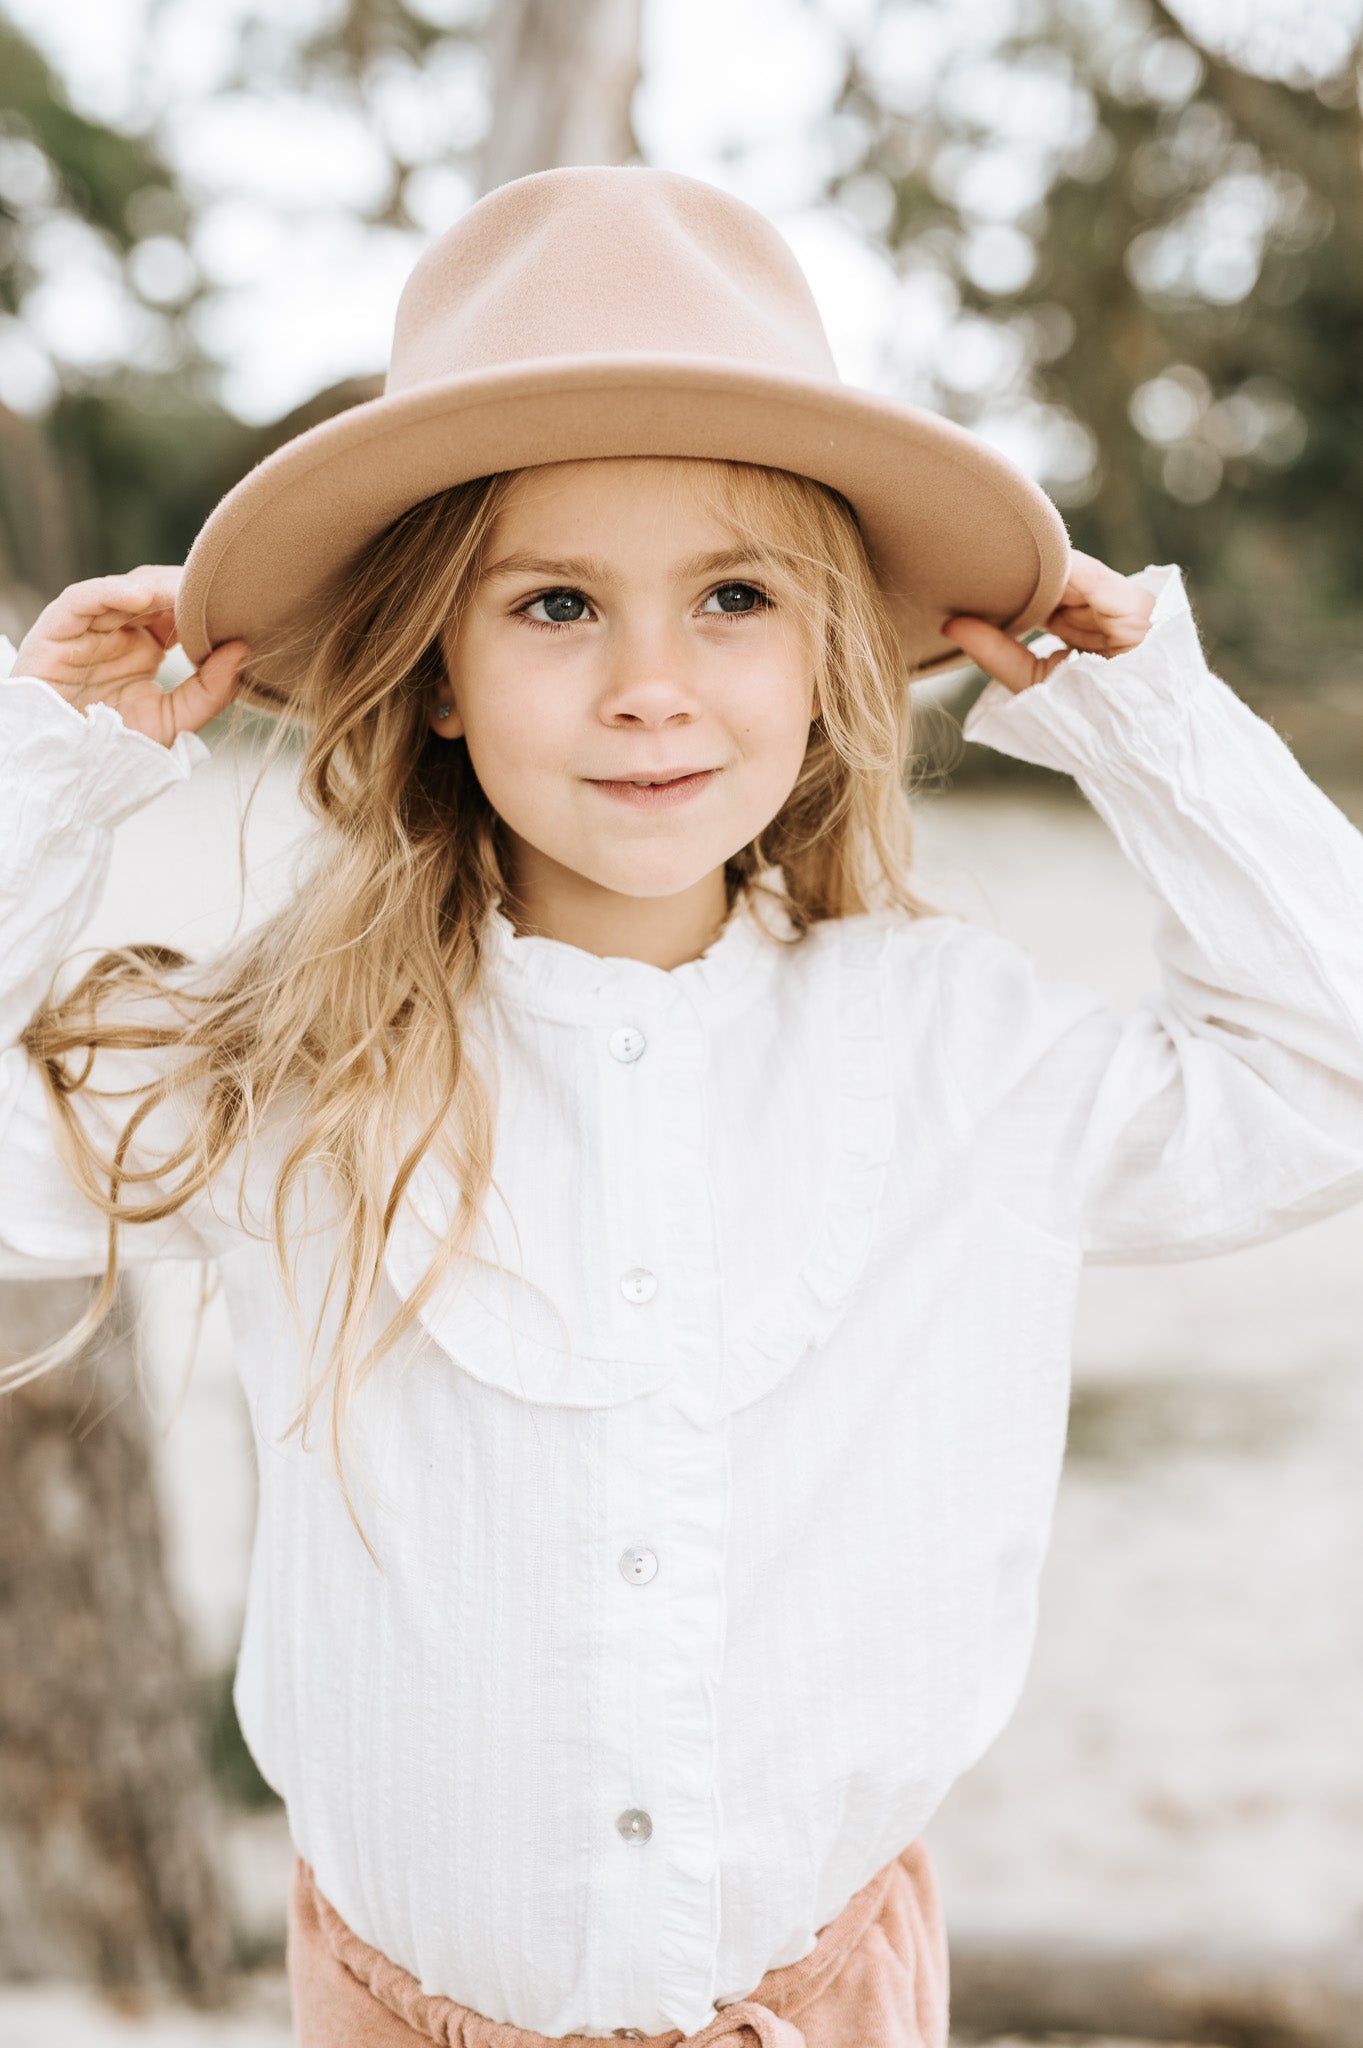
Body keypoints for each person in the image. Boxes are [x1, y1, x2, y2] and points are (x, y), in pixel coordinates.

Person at [2, 167, 1362, 2048]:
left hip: (825, 2003)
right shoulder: (295, 1063)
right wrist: (50, 765)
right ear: (444, 676)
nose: (652, 687)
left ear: (825, 658)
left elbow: (1331, 1074)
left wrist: (1157, 726)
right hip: (395, 2010)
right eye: (557, 604)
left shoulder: (953, 1046)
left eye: (735, 597)